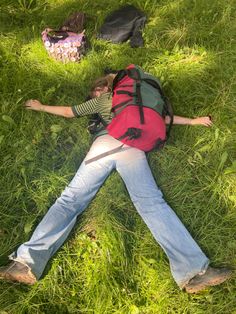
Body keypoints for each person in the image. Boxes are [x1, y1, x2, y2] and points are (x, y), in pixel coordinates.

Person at [0, 73, 232, 293]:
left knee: (70, 201)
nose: (93, 94)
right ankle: (194, 272)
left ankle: (26, 262)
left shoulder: (103, 99)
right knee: (152, 204)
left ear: (104, 88)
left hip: (105, 145)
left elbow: (69, 112)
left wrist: (40, 106)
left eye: (94, 90)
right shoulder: (136, 102)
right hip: (132, 147)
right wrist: (193, 121)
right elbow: (162, 118)